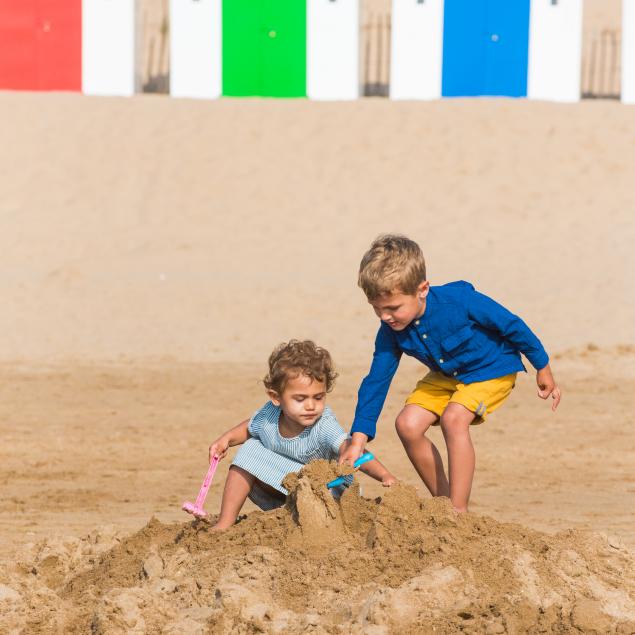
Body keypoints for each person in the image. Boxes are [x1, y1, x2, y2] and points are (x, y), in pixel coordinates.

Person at [339, 234, 561, 513]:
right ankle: (443, 504)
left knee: (454, 419)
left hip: (492, 369)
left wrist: (542, 365)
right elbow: (377, 380)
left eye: (393, 308)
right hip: (448, 375)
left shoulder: (460, 300)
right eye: (377, 309)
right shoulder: (390, 331)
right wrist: (358, 438)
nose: (385, 317)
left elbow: (511, 325)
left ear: (422, 289)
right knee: (407, 424)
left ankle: (459, 511)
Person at [208, 339, 396, 530]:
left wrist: (384, 475)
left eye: (318, 397)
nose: (311, 406)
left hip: (329, 494)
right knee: (249, 449)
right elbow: (249, 428)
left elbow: (353, 449)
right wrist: (226, 440)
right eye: (300, 399)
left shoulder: (323, 425)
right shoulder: (269, 417)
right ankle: (225, 522)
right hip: (289, 491)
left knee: (257, 452)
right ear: (276, 397)